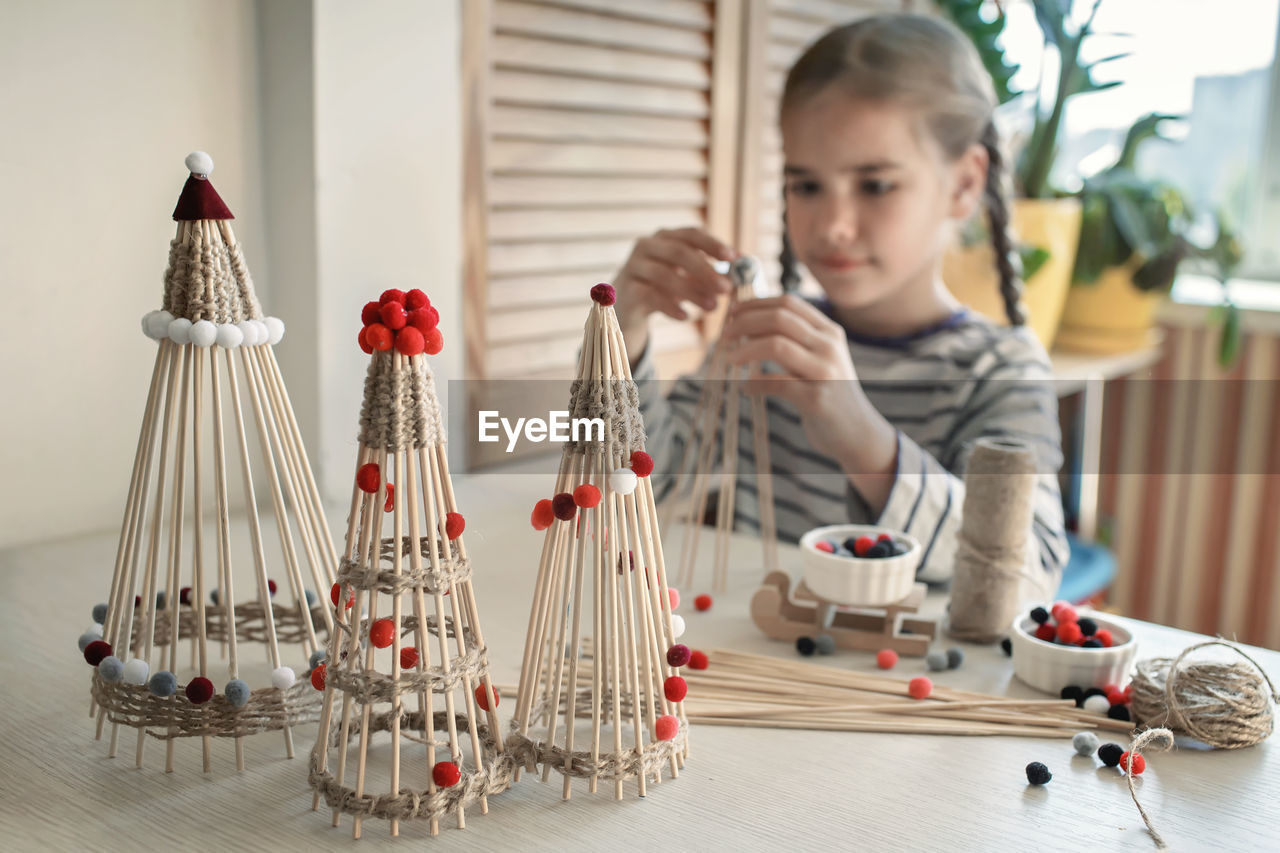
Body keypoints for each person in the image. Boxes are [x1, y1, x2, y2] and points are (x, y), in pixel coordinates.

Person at [614, 13, 1069, 593]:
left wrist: (863, 440)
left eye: (875, 185)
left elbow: (1028, 574)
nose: (832, 226)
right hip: (762, 662)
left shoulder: (1000, 370)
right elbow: (650, 486)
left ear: (963, 184)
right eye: (806, 185)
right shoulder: (769, 343)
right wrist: (622, 334)